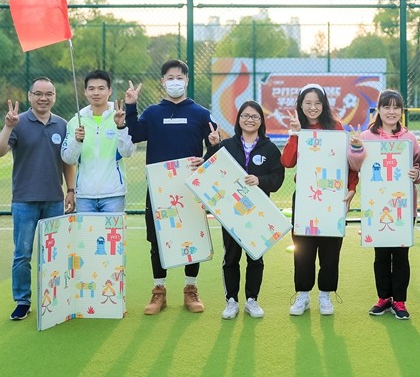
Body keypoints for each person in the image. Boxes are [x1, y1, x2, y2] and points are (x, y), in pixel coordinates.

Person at [125, 59, 216, 315]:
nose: (175, 81)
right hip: (159, 190)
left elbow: (215, 147)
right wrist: (131, 106)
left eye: (179, 77)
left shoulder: (200, 113)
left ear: (187, 81)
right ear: (162, 81)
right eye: (170, 77)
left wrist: (208, 153)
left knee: (193, 236)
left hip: (189, 189)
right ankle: (159, 291)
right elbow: (135, 134)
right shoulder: (153, 113)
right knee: (157, 239)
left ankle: (191, 289)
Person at [0, 77, 75, 321]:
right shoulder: (18, 122)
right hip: (24, 201)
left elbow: (68, 161)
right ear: (30, 96)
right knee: (23, 254)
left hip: (54, 200)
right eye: (38, 93)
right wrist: (8, 127)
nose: (43, 98)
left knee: (55, 254)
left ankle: (54, 298)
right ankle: (23, 300)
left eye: (48, 94)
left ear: (54, 96)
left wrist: (71, 190)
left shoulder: (62, 125)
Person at [348, 89, 420, 320]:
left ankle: (399, 301)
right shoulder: (366, 136)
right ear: (379, 110)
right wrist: (356, 147)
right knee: (381, 255)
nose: (391, 112)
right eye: (386, 106)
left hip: (403, 207)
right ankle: (384, 298)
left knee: (401, 256)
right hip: (376, 206)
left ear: (401, 111)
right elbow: (354, 165)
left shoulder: (409, 138)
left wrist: (417, 174)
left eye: (396, 107)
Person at [281, 83, 358, 316]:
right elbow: (287, 162)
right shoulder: (299, 128)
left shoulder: (336, 128)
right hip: (306, 199)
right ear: (300, 105)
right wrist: (295, 134)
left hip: (332, 198)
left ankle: (325, 295)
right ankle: (303, 295)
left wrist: (351, 188)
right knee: (303, 248)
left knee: (331, 248)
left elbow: (349, 163)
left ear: (324, 104)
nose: (312, 107)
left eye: (317, 103)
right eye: (307, 103)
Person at [205, 101, 285, 320]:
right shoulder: (226, 145)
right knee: (231, 257)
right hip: (230, 212)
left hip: (258, 214)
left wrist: (260, 180)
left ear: (261, 121)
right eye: (245, 116)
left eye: (255, 116)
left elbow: (277, 178)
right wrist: (213, 146)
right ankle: (231, 301)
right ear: (239, 119)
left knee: (255, 257)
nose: (250, 120)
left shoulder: (269, 149)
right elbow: (209, 169)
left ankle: (252, 300)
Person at [61, 70, 134, 213]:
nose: (96, 93)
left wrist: (121, 127)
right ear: (85, 92)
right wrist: (77, 141)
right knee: (86, 230)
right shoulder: (75, 121)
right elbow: (68, 159)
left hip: (113, 194)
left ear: (109, 91)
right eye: (91, 88)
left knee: (113, 230)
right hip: (84, 196)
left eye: (101, 88)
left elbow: (128, 152)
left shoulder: (120, 117)